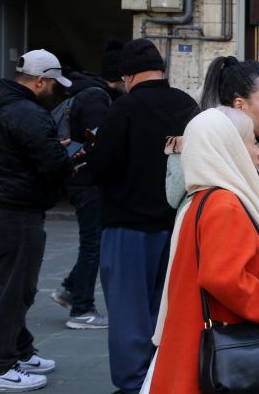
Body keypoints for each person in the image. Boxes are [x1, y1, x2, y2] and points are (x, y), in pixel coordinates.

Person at [146, 108, 259, 393]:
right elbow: (223, 278)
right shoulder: (225, 205)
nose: (258, 153)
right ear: (230, 149)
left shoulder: (202, 199)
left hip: (195, 346)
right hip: (228, 356)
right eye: (252, 143)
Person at [87, 39, 198, 394]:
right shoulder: (187, 105)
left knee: (128, 313)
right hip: (176, 225)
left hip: (128, 228)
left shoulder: (124, 108)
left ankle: (134, 384)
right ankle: (163, 376)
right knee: (166, 308)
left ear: (129, 75)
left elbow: (101, 166)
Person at [0, 49, 73, 391]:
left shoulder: (4, 103)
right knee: (14, 289)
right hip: (17, 210)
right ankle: (1, 364)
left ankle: (20, 349)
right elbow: (51, 162)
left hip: (7, 205)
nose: (54, 91)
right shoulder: (28, 113)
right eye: (53, 84)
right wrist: (64, 153)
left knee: (10, 285)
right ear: (40, 81)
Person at [50, 69, 112, 330]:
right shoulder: (97, 97)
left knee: (92, 242)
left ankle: (70, 290)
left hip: (78, 180)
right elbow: (96, 140)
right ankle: (82, 310)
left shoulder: (80, 94)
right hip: (87, 182)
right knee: (93, 244)